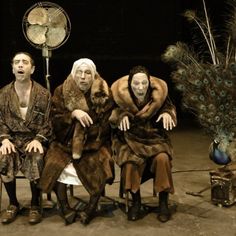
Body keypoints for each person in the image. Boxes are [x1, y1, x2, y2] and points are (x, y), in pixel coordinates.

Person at [39, 58, 114, 225]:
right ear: (74, 73)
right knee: (54, 162)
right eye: (79, 72)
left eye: (87, 73)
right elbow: (54, 119)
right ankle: (65, 207)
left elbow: (106, 124)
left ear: (93, 75)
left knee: (102, 163)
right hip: (64, 142)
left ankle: (91, 208)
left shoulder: (103, 92)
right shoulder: (61, 91)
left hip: (94, 143)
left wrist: (89, 134)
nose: (83, 77)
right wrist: (72, 115)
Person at [109, 65, 177, 222]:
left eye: (144, 83)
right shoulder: (120, 95)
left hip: (154, 138)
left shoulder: (159, 95)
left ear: (149, 82)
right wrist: (120, 116)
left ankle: (163, 202)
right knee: (130, 161)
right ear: (130, 83)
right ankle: (136, 202)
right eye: (136, 84)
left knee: (162, 158)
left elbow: (169, 108)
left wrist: (167, 113)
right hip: (129, 139)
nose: (140, 88)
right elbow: (111, 113)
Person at [0, 52, 52, 224]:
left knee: (36, 156)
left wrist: (38, 139)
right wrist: (4, 139)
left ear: (33, 68)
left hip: (33, 138)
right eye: (17, 62)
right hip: (12, 139)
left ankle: (35, 204)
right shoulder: (3, 94)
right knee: (4, 157)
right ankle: (13, 204)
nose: (20, 65)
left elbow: (49, 122)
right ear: (13, 68)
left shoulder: (43, 94)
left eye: (25, 62)